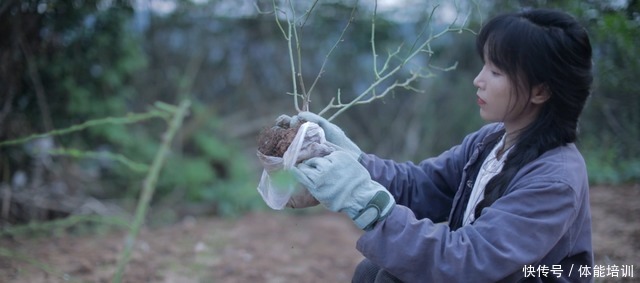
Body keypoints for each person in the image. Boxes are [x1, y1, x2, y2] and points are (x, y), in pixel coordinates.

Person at [277, 8, 594, 282]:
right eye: (484, 65)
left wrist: (365, 202)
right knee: (371, 271)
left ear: (540, 91)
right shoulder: (488, 143)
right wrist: (350, 157)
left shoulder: (554, 179)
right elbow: (420, 187)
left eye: (496, 71)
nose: (479, 79)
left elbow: (469, 263)